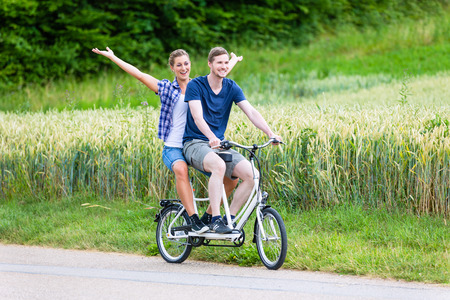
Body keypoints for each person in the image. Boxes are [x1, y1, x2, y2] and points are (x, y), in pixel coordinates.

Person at [92, 47, 242, 233]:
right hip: (174, 147)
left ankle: (209, 217)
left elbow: (220, 72)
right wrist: (113, 57)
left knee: (231, 178)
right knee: (181, 169)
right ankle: (193, 219)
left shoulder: (199, 86)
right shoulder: (165, 88)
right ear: (172, 68)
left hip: (197, 145)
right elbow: (139, 75)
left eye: (186, 63)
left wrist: (233, 60)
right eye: (179, 65)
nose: (183, 68)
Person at [183, 47, 282, 234]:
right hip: (195, 142)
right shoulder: (196, 85)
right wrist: (211, 137)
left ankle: (229, 219)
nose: (223, 66)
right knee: (219, 166)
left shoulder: (231, 87)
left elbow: (251, 111)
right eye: (219, 62)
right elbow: (197, 117)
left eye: (226, 62)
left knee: (253, 176)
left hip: (219, 144)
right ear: (210, 64)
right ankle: (215, 218)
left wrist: (270, 133)